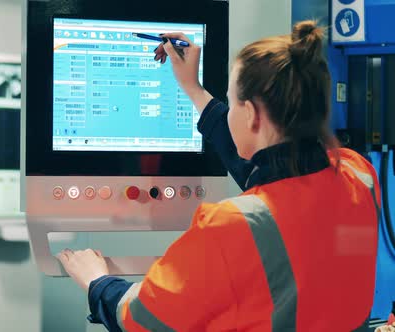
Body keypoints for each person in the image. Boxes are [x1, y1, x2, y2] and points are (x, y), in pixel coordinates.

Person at [57, 21, 379, 331]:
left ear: (251, 114)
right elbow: (267, 173)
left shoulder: (232, 224)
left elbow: (141, 317)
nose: (231, 112)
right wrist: (192, 88)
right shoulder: (359, 174)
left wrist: (96, 280)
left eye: (232, 100)